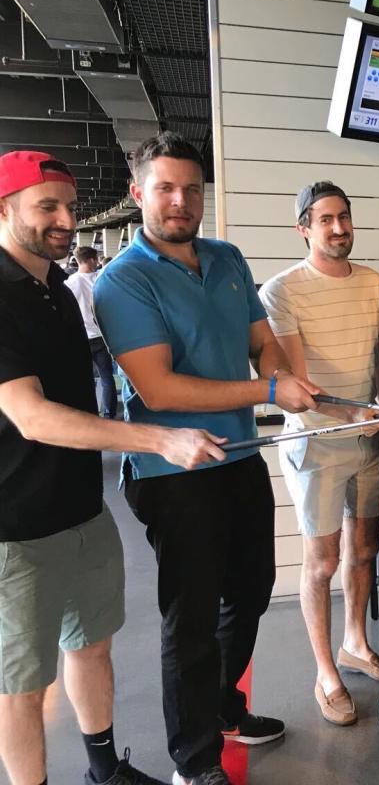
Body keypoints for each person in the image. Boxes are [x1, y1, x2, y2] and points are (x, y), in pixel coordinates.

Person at [94, 132, 321, 785]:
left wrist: (280, 373)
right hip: (175, 472)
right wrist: (271, 389)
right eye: (165, 188)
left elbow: (262, 343)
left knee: (249, 592)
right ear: (139, 194)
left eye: (192, 189)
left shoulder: (225, 257)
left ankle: (224, 708)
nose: (180, 201)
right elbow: (159, 387)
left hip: (239, 456)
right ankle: (194, 765)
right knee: (189, 622)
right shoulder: (123, 280)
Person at [0, 149, 226, 785]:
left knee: (92, 644)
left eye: (69, 207)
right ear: (5, 207)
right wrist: (155, 439)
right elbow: (33, 416)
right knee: (22, 685)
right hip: (15, 530)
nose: (65, 220)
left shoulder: (58, 290)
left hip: (81, 510)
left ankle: (103, 771)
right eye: (48, 207)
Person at [259, 181, 379, 727]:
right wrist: (351, 415)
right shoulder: (282, 290)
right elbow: (297, 379)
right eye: (325, 220)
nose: (338, 229)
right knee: (320, 562)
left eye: (344, 217)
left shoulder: (371, 282)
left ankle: (355, 644)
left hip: (369, 439)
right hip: (316, 442)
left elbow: (378, 362)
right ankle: (325, 672)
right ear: (304, 229)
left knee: (364, 551)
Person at [65, 246, 118, 419]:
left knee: (84, 378)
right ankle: (109, 415)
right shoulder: (102, 279)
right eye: (96, 259)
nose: (97, 262)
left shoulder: (70, 283)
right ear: (90, 260)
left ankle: (88, 414)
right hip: (102, 337)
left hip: (81, 338)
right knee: (107, 377)